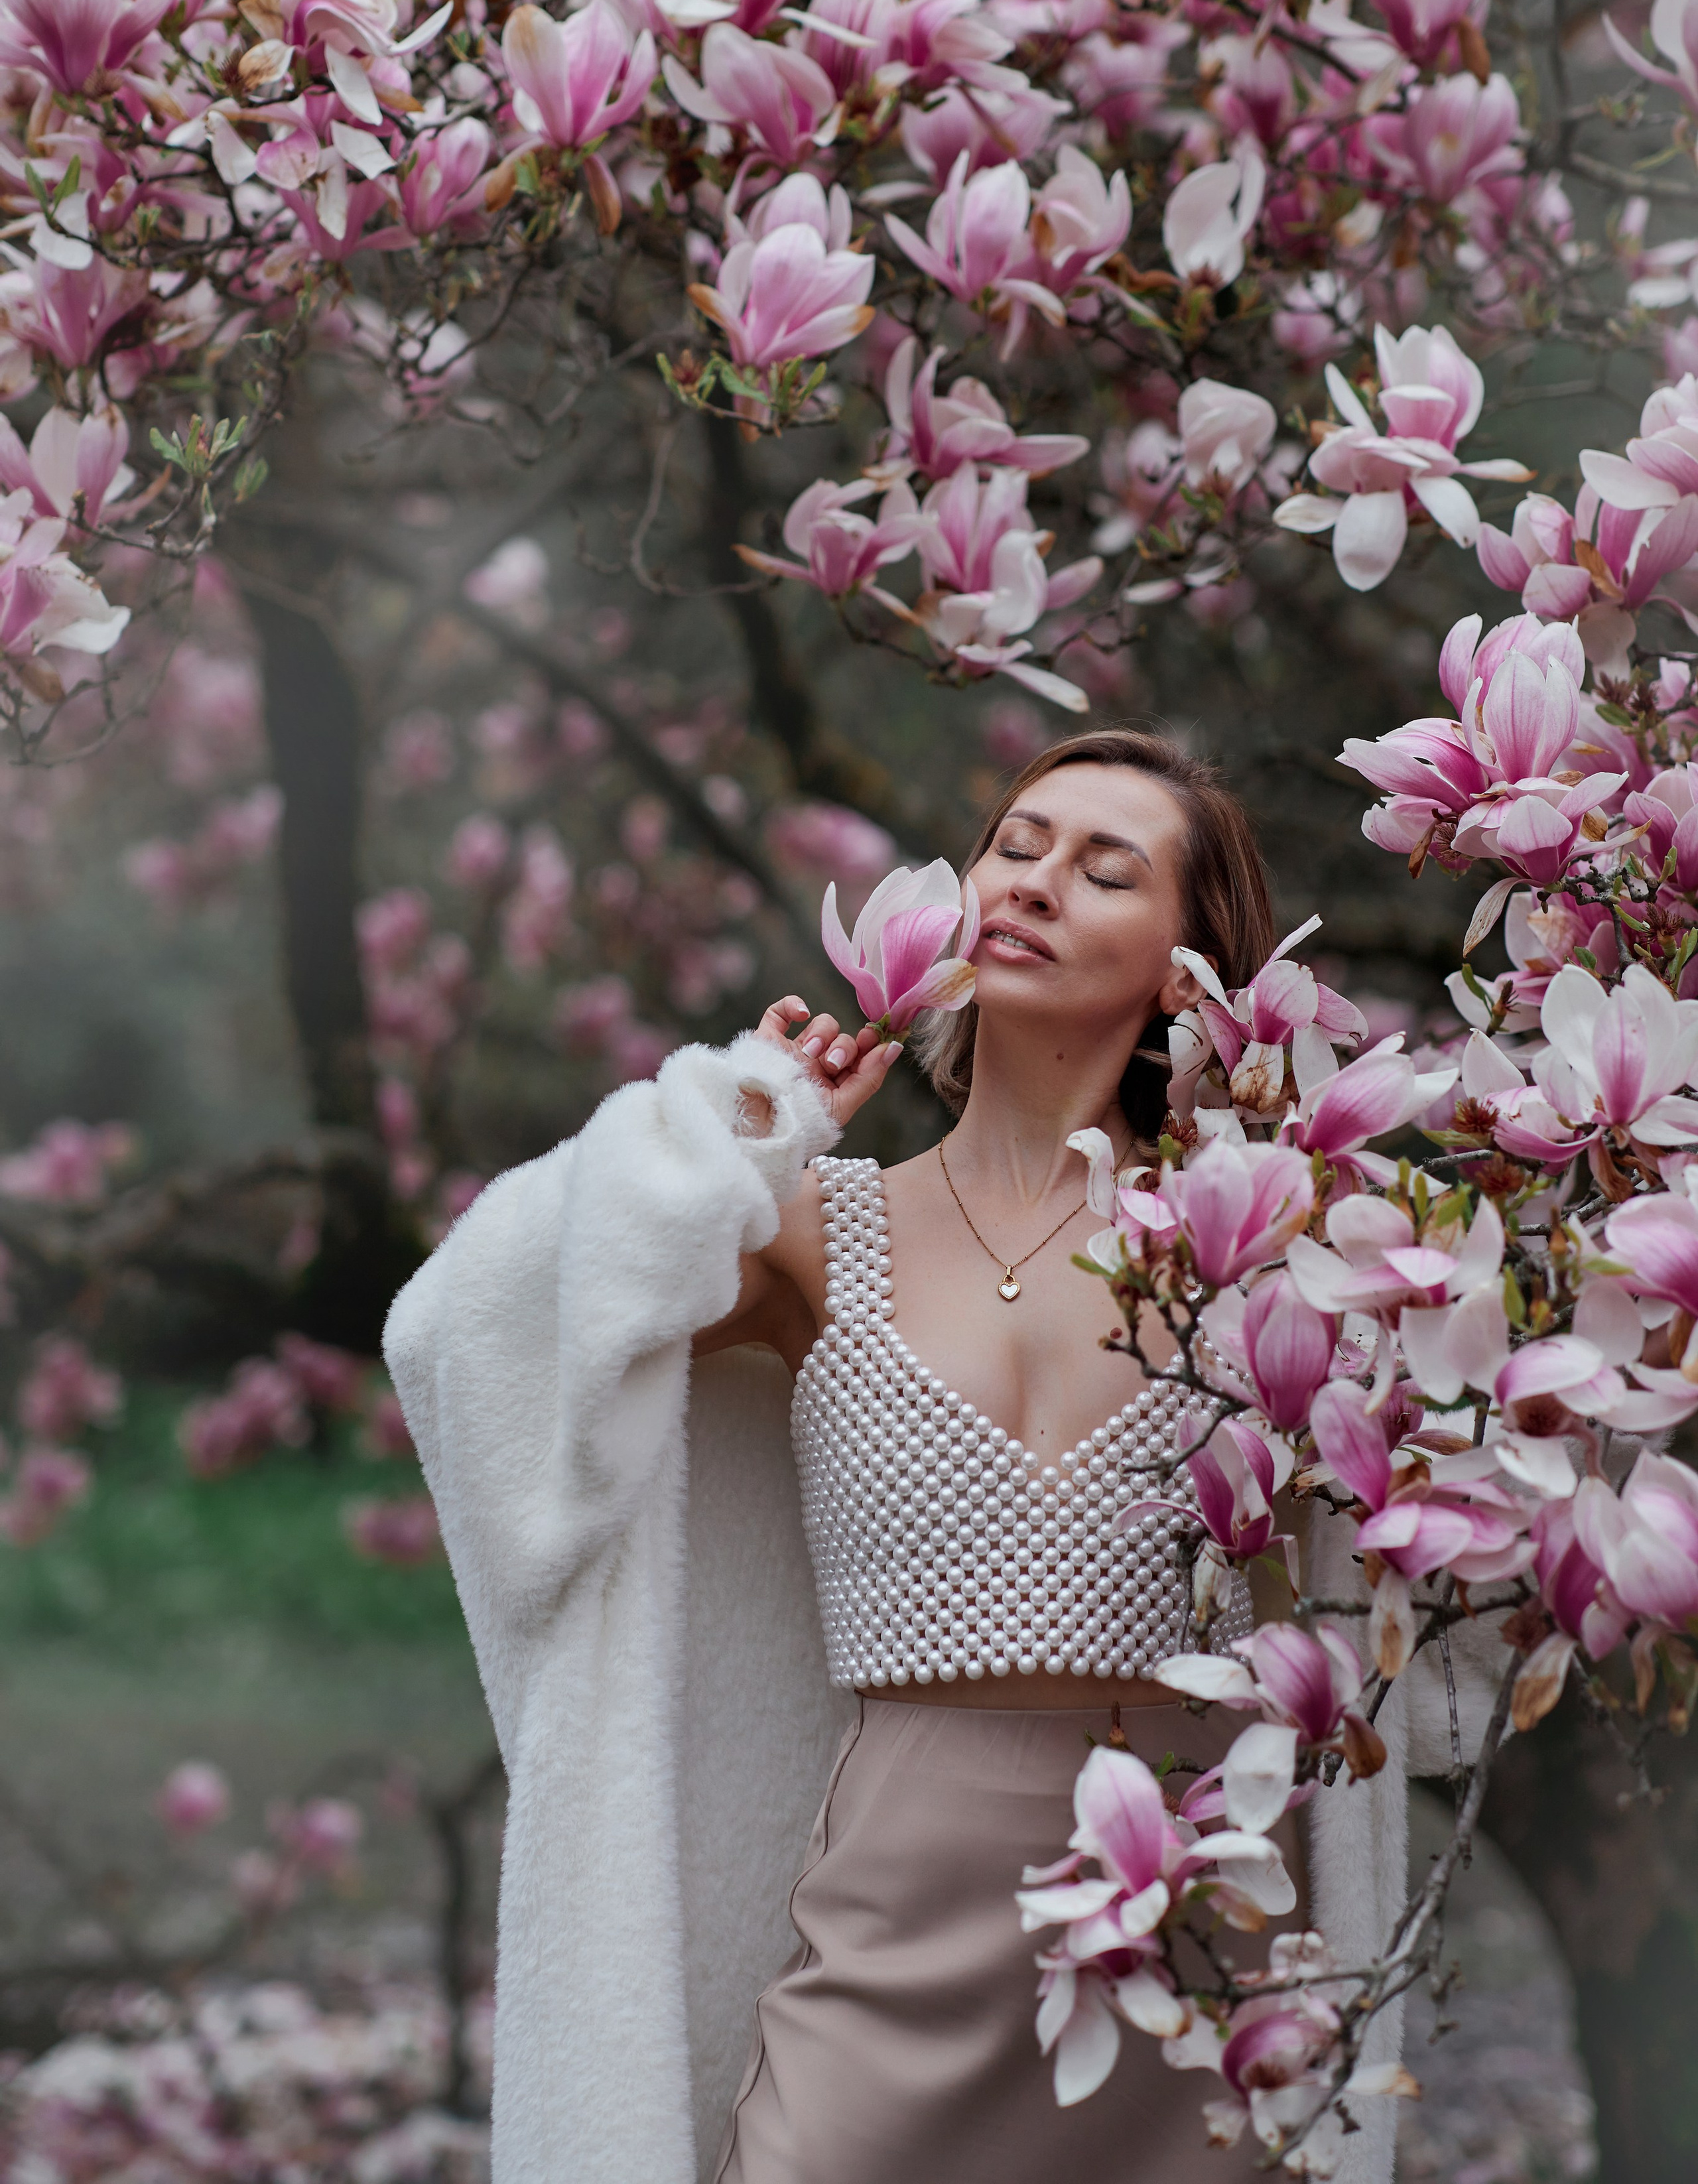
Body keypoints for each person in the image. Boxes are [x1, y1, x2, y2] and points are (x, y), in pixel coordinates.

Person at [385, 731, 1444, 2184]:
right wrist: (734, 1128)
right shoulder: (824, 1232)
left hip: (1194, 1922)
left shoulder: (1260, 1243)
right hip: (887, 1937)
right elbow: (481, 1327)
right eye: (1015, 843)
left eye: (1101, 865)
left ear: (1185, 964)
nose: (1033, 880)